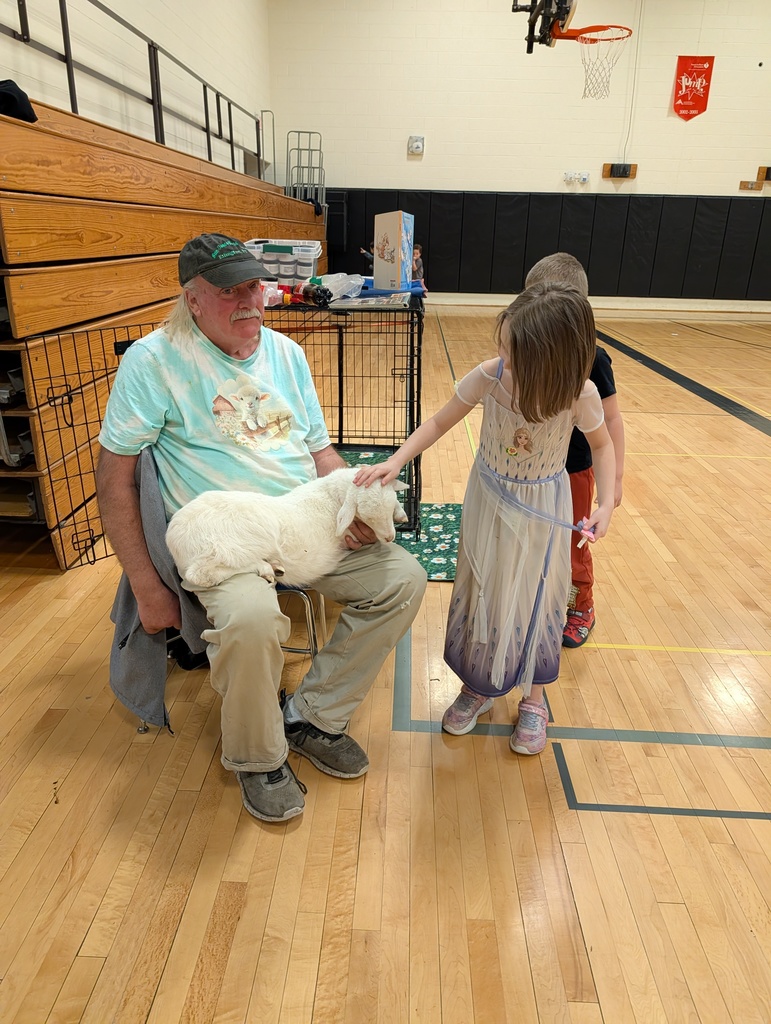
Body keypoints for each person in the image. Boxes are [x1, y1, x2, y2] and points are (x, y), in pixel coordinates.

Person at [97, 232, 427, 823]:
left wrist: (348, 501)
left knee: (402, 577)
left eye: (254, 284)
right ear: (193, 299)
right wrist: (147, 586)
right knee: (250, 619)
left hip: (304, 520)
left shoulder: (286, 355)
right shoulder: (153, 361)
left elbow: (322, 454)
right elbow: (114, 479)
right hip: (225, 538)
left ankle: (313, 715)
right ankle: (257, 756)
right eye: (230, 290)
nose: (249, 300)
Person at [355, 282, 615, 756]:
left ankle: (534, 699)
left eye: (513, 352)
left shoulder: (580, 394)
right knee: (485, 590)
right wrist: (397, 460)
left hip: (542, 511)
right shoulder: (491, 376)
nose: (503, 356)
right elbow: (438, 421)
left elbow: (602, 445)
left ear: (551, 359)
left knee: (538, 596)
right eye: (504, 345)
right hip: (489, 502)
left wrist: (606, 502)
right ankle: (479, 685)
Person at [524, 253, 625, 648]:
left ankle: (580, 606)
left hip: (576, 471)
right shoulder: (527, 348)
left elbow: (612, 421)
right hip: (535, 470)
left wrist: (613, 481)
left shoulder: (593, 359)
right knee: (535, 539)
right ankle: (539, 597)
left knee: (574, 543)